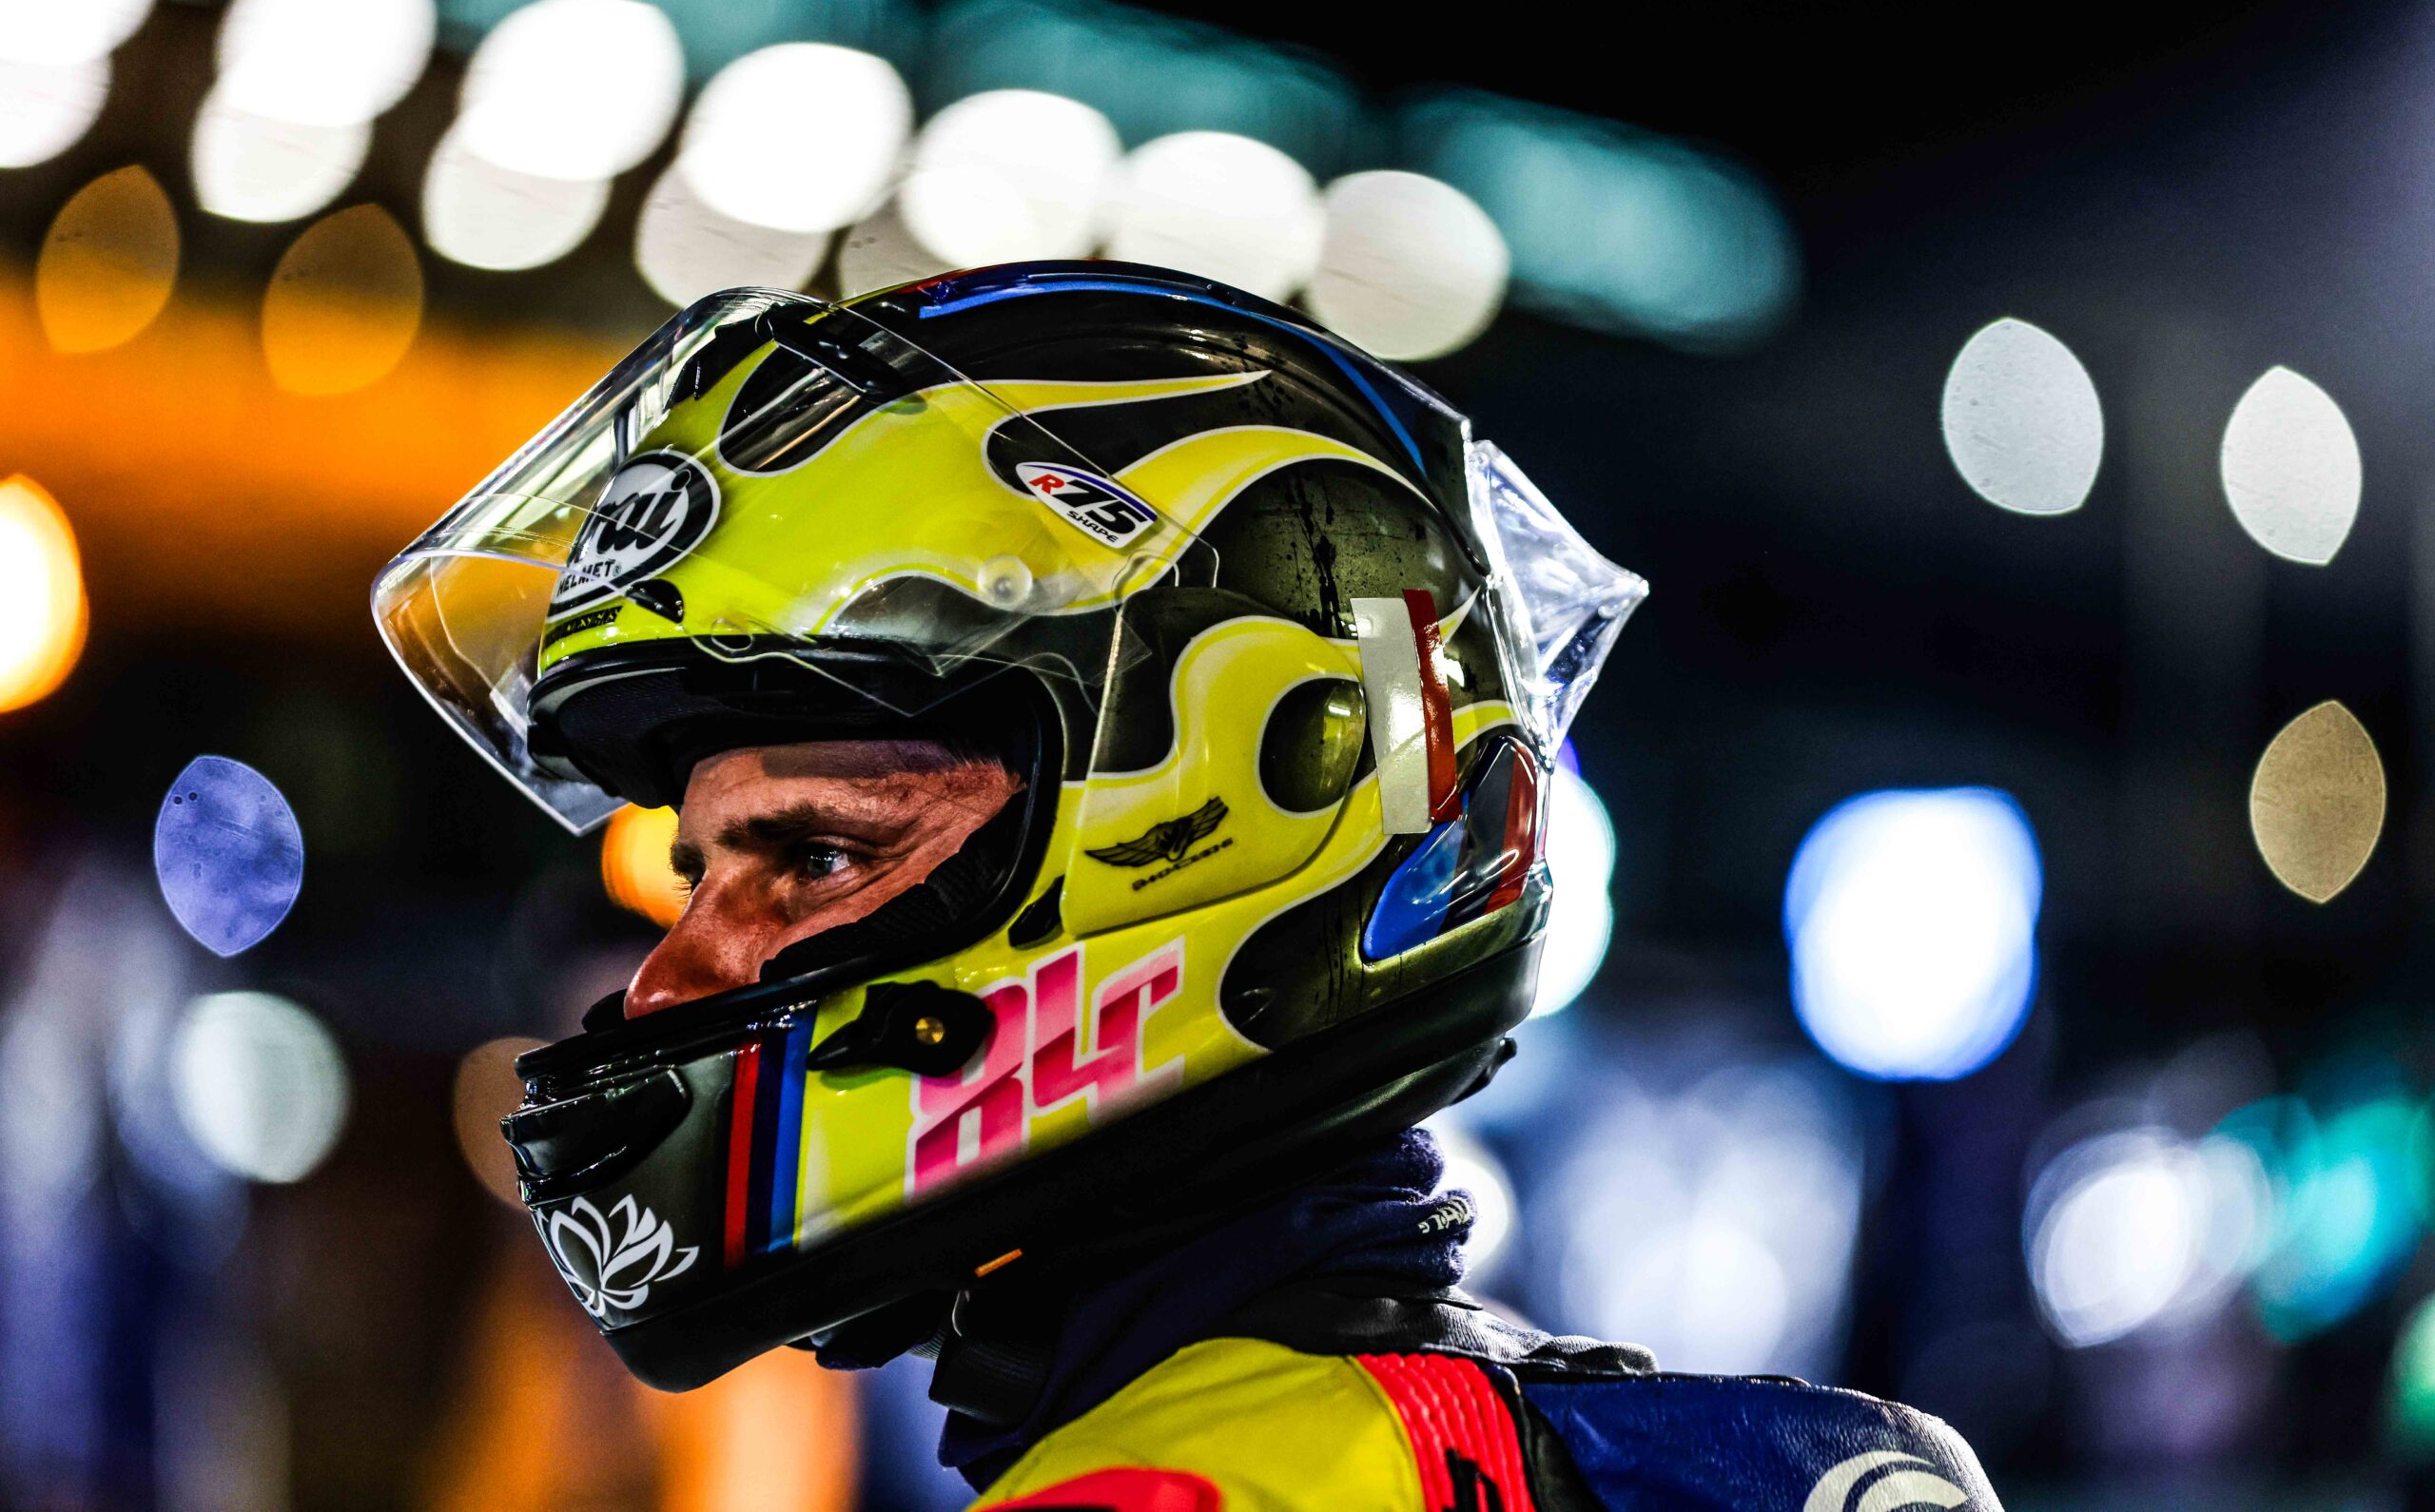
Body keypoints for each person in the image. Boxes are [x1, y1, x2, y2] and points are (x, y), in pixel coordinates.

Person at [376, 262, 2004, 1510]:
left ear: (1269, 792)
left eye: (819, 855)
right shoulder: (1728, 1469)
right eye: (697, 873)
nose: (668, 980)